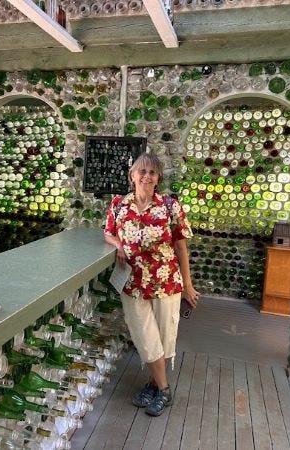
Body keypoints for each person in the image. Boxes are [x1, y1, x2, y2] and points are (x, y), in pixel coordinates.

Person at [104, 152, 199, 417]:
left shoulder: (170, 206)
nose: (147, 176)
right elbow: (108, 232)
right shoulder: (119, 205)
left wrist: (188, 285)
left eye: (152, 172)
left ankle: (153, 385)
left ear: (158, 178)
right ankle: (165, 390)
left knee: (165, 338)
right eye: (142, 171)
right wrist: (118, 245)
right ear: (132, 175)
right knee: (145, 338)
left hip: (166, 283)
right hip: (132, 284)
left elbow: (181, 247)